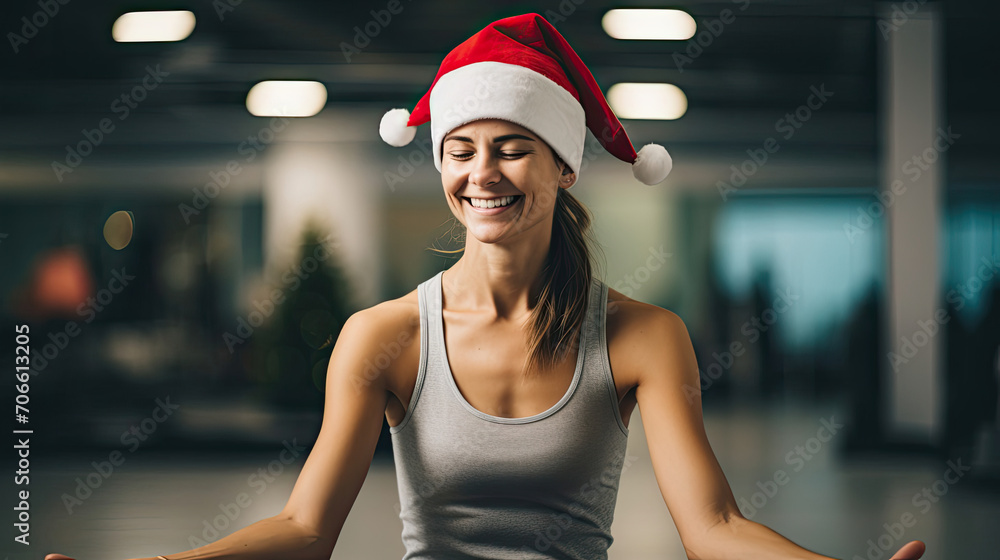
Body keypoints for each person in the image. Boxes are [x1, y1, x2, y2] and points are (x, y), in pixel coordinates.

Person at [47, 12, 928, 560]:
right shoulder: (382, 337)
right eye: (460, 150)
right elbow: (306, 530)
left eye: (512, 146)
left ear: (564, 167)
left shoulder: (644, 336)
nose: (483, 173)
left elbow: (715, 528)